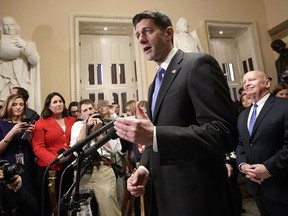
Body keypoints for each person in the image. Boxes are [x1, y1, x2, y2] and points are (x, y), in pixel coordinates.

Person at [114, 10, 238, 216]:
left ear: (169, 33)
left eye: (147, 31)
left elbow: (224, 132)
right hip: (164, 194)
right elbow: (156, 138)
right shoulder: (155, 84)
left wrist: (154, 135)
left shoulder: (197, 64)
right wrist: (144, 169)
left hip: (198, 198)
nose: (141, 38)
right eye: (137, 35)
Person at [236, 70, 288, 215]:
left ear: (267, 83)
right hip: (256, 186)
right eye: (244, 81)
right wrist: (242, 165)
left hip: (281, 183)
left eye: (251, 79)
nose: (246, 84)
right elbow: (241, 144)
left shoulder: (284, 106)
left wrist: (268, 168)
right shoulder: (242, 115)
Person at [70, 99, 121, 216]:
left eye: (90, 109)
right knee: (81, 211)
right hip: (82, 171)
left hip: (104, 169)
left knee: (109, 209)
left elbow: (114, 150)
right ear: (80, 114)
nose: (88, 112)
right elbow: (76, 152)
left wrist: (98, 132)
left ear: (95, 110)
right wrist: (85, 128)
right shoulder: (77, 126)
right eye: (85, 110)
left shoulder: (108, 124)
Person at [32, 92, 76, 216]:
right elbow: (38, 148)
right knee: (48, 205)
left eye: (60, 101)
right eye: (55, 102)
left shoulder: (72, 120)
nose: (58, 104)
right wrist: (55, 159)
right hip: (48, 169)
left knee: (66, 203)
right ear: (49, 106)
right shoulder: (41, 122)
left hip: (68, 168)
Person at [0, 16, 41, 113]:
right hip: (3, 83)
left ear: (16, 26)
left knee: (20, 109)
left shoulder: (28, 44)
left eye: (11, 25)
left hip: (20, 83)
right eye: (6, 25)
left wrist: (24, 47)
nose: (9, 28)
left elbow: (35, 61)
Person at [0, 94, 37, 197]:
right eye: (14, 104)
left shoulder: (28, 123)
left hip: (27, 165)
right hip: (8, 165)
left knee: (27, 196)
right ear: (8, 106)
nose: (18, 107)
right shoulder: (1, 124)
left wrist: (30, 135)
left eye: (21, 104)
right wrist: (12, 132)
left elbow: (35, 150)